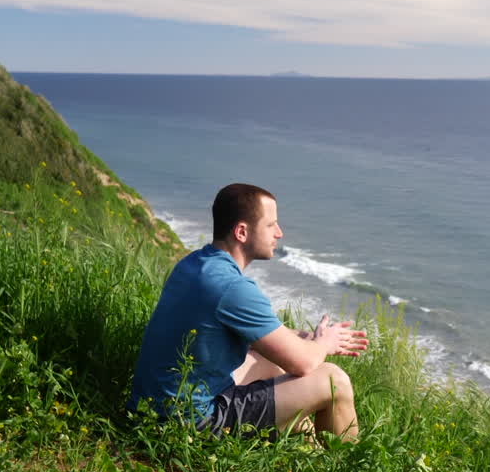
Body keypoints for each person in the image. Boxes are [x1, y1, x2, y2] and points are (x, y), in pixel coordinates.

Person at [128, 183, 368, 441]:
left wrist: (308, 337)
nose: (279, 232)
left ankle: (306, 445)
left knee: (269, 361)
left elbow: (263, 335)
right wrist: (325, 344)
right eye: (270, 225)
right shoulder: (233, 288)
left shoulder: (195, 264)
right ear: (242, 232)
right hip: (189, 423)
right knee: (334, 381)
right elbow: (304, 362)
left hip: (151, 410)